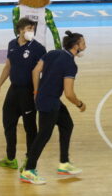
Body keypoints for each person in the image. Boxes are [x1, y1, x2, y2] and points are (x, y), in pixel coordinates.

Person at [20, 31, 88, 185]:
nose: (85, 46)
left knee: (67, 125)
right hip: (49, 102)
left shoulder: (52, 53)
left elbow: (36, 71)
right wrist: (80, 104)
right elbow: (69, 93)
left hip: (46, 98)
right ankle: (28, 170)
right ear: (76, 46)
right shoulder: (70, 65)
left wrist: (37, 91)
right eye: (83, 43)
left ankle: (64, 163)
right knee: (43, 136)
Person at [0, 18, 46, 169]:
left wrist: (37, 92)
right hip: (14, 90)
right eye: (29, 28)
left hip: (29, 92)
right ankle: (11, 158)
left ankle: (29, 161)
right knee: (8, 122)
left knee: (30, 128)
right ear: (20, 30)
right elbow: (8, 66)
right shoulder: (12, 44)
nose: (31, 31)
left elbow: (42, 73)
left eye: (32, 29)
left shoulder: (39, 48)